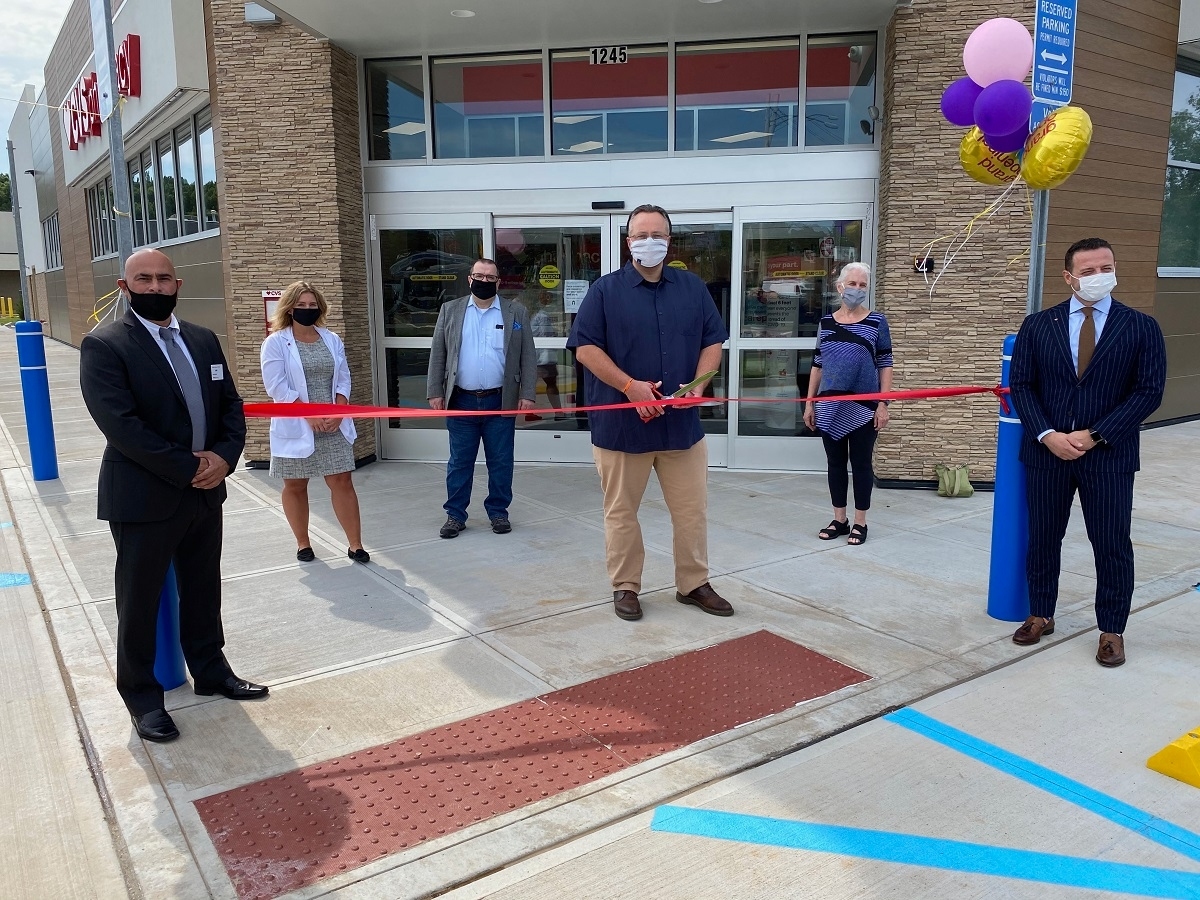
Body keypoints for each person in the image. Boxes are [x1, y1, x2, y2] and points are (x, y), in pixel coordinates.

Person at [79, 249, 267, 744]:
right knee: (138, 602)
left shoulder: (202, 340)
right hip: (145, 496)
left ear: (178, 283)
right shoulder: (105, 344)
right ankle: (143, 699)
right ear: (125, 286)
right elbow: (121, 425)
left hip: (206, 492)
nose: (156, 287)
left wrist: (224, 458)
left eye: (164, 278)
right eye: (145, 279)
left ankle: (211, 670)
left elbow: (231, 405)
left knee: (203, 588)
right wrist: (188, 468)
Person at [568, 204, 731, 621]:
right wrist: (629, 387)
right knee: (622, 513)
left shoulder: (692, 288)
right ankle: (626, 587)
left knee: (692, 510)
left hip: (681, 428)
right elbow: (585, 348)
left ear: (669, 241)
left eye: (657, 235)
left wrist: (699, 386)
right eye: (640, 235)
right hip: (623, 429)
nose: (649, 242)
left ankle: (693, 583)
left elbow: (713, 340)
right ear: (628, 242)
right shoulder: (604, 291)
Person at [1009, 237, 1166, 667]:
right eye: (1089, 271)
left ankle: (1112, 630)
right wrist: (1046, 434)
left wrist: (1096, 434)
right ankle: (1041, 613)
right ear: (1069, 277)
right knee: (1043, 537)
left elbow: (1148, 391)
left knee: (1112, 543)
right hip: (1047, 454)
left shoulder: (1140, 327)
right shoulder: (1038, 325)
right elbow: (1021, 385)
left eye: (1106, 268)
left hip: (1109, 456)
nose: (1100, 277)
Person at [427, 258, 536, 537]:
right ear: (469, 278)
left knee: (500, 461)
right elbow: (438, 353)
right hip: (461, 401)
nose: (484, 281)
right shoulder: (450, 310)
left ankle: (498, 512)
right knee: (459, 462)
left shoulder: (516, 312)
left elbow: (528, 357)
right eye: (479, 276)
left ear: (499, 282)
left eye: (490, 278)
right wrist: (435, 391)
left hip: (500, 401)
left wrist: (528, 394)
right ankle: (455, 515)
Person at [260, 281, 368, 563]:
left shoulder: (331, 339)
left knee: (342, 480)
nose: (307, 310)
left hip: (332, 422)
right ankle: (303, 543)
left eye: (312, 305)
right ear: (289, 308)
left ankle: (355, 544)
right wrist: (308, 415)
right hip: (297, 422)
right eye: (301, 305)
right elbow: (277, 386)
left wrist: (339, 410)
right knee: (295, 484)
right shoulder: (275, 342)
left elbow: (343, 377)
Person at [803, 262, 893, 546]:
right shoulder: (826, 323)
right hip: (829, 404)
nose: (856, 289)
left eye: (862, 285)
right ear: (840, 286)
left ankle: (860, 522)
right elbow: (818, 364)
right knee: (835, 464)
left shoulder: (877, 322)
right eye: (851, 284)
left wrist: (883, 404)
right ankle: (839, 519)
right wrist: (809, 403)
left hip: (865, 406)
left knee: (862, 464)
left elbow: (885, 363)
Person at [531, 291, 564, 418]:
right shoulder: (542, 315)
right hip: (544, 356)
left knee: (531, 385)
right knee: (551, 383)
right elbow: (546, 334)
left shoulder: (530, 315)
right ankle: (559, 412)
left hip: (534, 355)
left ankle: (529, 412)